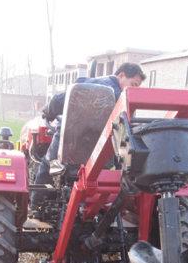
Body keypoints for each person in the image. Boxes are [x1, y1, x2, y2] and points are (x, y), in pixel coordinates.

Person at [33, 62, 146, 191]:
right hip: (99, 160)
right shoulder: (122, 100)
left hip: (69, 148)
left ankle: (36, 204)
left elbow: (61, 100)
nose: (134, 89)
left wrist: (48, 111)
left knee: (47, 165)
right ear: (121, 75)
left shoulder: (92, 84)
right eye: (133, 84)